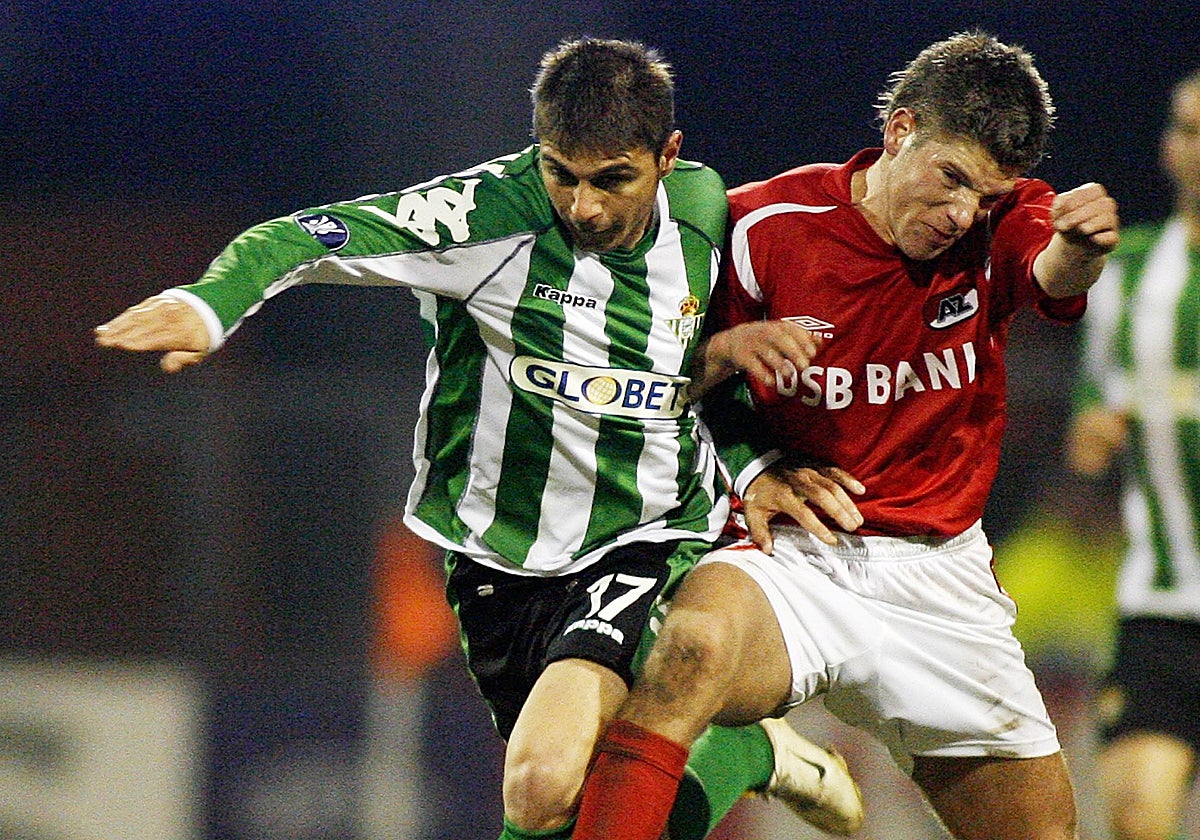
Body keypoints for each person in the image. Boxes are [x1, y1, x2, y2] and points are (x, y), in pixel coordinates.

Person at [93, 37, 862, 840]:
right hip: (494, 557)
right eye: (562, 173)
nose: (584, 206)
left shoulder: (706, 214)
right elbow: (304, 238)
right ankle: (749, 751)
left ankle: (738, 747)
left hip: (647, 532)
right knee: (560, 803)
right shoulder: (485, 216)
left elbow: (701, 373)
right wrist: (213, 304)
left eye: (612, 180)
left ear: (668, 157)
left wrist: (751, 463)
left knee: (538, 785)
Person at [572, 30, 1120, 840]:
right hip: (799, 557)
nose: (961, 213)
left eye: (987, 196)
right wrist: (753, 460)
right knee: (690, 648)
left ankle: (751, 753)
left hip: (941, 579)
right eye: (952, 179)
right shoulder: (763, 226)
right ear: (900, 132)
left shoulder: (1003, 225)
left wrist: (1078, 248)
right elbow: (669, 386)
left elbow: (1049, 274)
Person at [1067, 68, 1200, 840]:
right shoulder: (1131, 272)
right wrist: (1091, 436)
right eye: (1186, 129)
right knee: (1138, 815)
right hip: (1159, 607)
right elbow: (1093, 419)